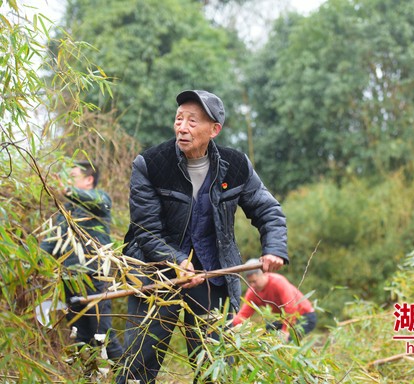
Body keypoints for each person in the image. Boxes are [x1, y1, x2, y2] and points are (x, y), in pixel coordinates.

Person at [117, 90, 288, 384]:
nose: (182, 127)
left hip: (214, 276)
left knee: (215, 364)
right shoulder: (150, 164)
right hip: (157, 274)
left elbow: (268, 209)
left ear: (214, 129)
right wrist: (178, 261)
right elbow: (145, 230)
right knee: (139, 363)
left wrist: (273, 248)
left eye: (192, 121)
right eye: (179, 119)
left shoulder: (236, 165)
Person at [40, 160, 124, 361]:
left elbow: (91, 199)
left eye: (72, 177)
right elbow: (51, 241)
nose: (68, 182)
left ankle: (128, 376)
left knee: (102, 333)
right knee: (80, 335)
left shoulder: (100, 200)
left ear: (89, 179)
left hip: (95, 277)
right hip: (70, 280)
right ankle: (90, 376)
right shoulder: (66, 210)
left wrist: (67, 190)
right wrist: (35, 263)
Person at [232, 259, 316, 341]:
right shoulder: (253, 292)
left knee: (288, 341)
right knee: (266, 335)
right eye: (250, 282)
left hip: (303, 316)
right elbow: (243, 315)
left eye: (254, 281)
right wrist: (230, 326)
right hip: (284, 318)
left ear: (263, 274)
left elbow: (291, 307)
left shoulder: (278, 282)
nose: (252, 285)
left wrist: (285, 331)